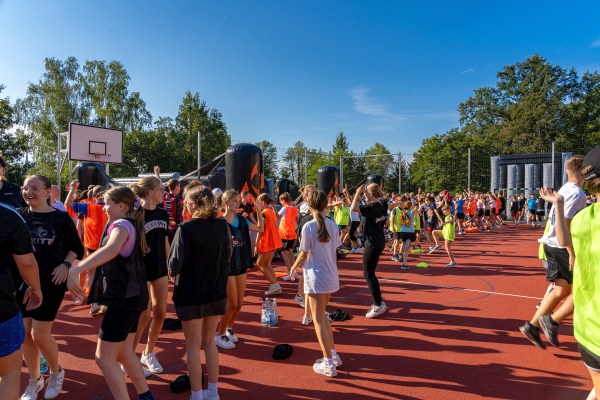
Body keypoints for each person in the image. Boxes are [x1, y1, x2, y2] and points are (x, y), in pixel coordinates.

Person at [67, 186, 156, 400]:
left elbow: (113, 248)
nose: (103, 207)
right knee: (125, 353)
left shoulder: (122, 225)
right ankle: (145, 396)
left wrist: (78, 268)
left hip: (124, 299)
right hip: (134, 297)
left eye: (107, 203)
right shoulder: (131, 223)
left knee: (104, 359)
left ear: (121, 206)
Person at [17, 175, 84, 400]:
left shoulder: (61, 218)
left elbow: (77, 248)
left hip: (50, 282)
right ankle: (34, 381)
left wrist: (66, 264)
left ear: (48, 192)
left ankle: (56, 371)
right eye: (25, 188)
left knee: (40, 334)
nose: (28, 192)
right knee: (25, 334)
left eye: (34, 188)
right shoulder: (18, 216)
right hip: (22, 282)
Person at [541, 145, 600, 400]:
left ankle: (547, 320)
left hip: (587, 329)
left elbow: (563, 236)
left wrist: (560, 204)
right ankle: (545, 320)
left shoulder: (584, 218)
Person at [168, 186, 232, 400]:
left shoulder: (185, 228)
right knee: (209, 342)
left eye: (186, 202)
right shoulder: (222, 225)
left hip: (191, 293)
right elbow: (228, 254)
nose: (185, 205)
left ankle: (197, 394)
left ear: (194, 205)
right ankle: (212, 393)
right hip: (215, 289)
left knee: (193, 346)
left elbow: (174, 265)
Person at [519, 155, 587, 349]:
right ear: (583, 171)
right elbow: (564, 223)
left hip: (553, 244)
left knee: (562, 290)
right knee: (580, 291)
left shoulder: (566, 189)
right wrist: (572, 252)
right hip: (561, 246)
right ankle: (550, 321)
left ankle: (534, 325)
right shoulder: (577, 193)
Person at [290, 190, 342, 377]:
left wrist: (292, 268)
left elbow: (303, 253)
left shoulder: (309, 226)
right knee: (323, 317)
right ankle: (333, 355)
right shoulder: (332, 225)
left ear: (309, 205)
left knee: (318, 319)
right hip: (330, 275)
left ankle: (328, 362)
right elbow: (334, 250)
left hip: (316, 276)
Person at [0, 202, 43, 400]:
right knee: (9, 373)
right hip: (2, 309)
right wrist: (35, 288)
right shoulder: (8, 214)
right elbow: (26, 262)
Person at [130, 176, 170, 375]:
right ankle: (130, 356)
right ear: (149, 192)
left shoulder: (163, 213)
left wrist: (171, 263)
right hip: (142, 270)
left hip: (160, 268)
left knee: (161, 313)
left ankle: (148, 352)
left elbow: (165, 241)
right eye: (161, 189)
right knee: (144, 315)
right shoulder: (136, 214)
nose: (164, 192)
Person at [215, 190, 263, 350]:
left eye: (238, 201)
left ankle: (228, 327)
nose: (238, 203)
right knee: (232, 303)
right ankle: (219, 334)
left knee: (239, 304)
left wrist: (258, 211)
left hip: (241, 263)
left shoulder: (242, 221)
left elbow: (260, 229)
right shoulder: (219, 222)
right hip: (227, 265)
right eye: (235, 201)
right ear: (226, 202)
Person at [351, 183, 388, 318]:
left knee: (368, 273)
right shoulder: (383, 204)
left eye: (365, 192)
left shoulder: (373, 206)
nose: (364, 194)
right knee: (371, 273)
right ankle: (379, 302)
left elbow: (354, 208)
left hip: (373, 243)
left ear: (370, 193)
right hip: (378, 240)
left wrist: (356, 193)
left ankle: (378, 304)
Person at [256, 193, 283, 296]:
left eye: (258, 201)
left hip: (267, 241)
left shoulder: (264, 213)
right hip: (273, 241)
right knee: (267, 264)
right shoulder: (270, 211)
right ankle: (275, 285)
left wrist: (256, 243)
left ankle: (274, 285)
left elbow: (260, 229)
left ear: (262, 202)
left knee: (260, 264)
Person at [278, 192, 299, 281]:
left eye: (281, 201)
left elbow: (277, 217)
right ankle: (294, 272)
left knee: (284, 253)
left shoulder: (284, 209)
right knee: (290, 253)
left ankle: (290, 273)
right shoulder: (294, 209)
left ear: (283, 200)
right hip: (292, 233)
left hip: (285, 233)